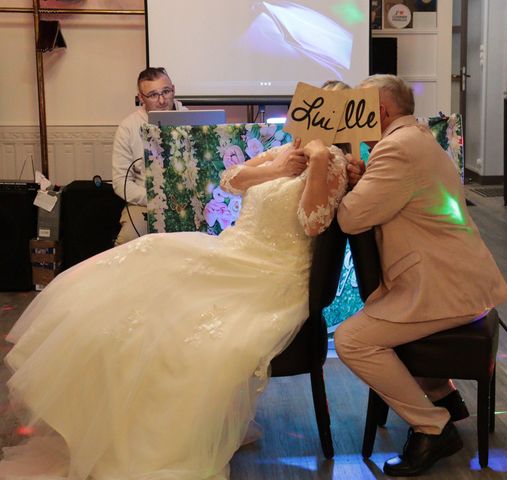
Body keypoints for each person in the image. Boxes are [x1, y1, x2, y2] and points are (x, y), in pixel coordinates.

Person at [0, 133, 348, 478]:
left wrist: (317, 162)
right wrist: (277, 168)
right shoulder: (284, 150)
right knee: (147, 260)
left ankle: (159, 438)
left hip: (272, 274)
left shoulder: (331, 162)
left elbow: (313, 223)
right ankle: (113, 419)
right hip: (234, 252)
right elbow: (231, 180)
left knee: (182, 326)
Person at [334, 74, 507, 477]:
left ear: (378, 112)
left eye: (359, 108)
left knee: (351, 340)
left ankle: (433, 427)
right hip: (454, 277)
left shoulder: (396, 149)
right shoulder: (412, 139)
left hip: (444, 286)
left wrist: (350, 168)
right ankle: (443, 396)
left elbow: (350, 217)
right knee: (371, 326)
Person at [112, 67, 188, 246]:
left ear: (173, 89)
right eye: (153, 95)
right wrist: (155, 199)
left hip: (187, 200)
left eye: (166, 92)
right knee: (129, 242)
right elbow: (120, 182)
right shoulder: (128, 127)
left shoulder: (189, 118)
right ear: (141, 98)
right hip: (145, 203)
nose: (162, 100)